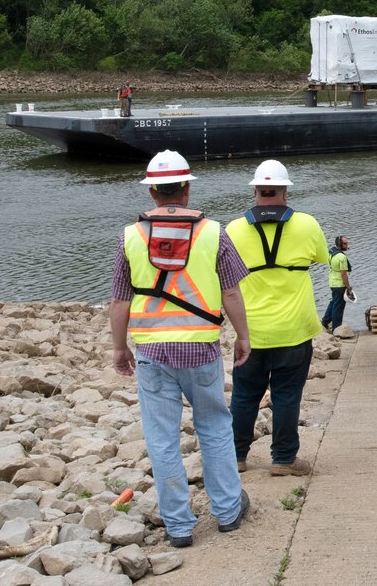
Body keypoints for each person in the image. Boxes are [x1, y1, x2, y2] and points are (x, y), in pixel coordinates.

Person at [110, 149, 251, 549]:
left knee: (161, 438)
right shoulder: (214, 232)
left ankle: (178, 526)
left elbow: (119, 301)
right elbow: (231, 292)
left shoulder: (130, 237)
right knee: (214, 428)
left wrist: (119, 348)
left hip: (153, 351)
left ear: (152, 191)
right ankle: (227, 512)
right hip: (201, 348)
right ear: (187, 190)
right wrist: (242, 336)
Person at [225, 160, 329, 477]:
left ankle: (237, 457)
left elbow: (224, 278)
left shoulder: (232, 230)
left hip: (250, 331)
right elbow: (321, 257)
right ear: (285, 193)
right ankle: (283, 459)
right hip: (295, 330)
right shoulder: (307, 225)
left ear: (256, 192)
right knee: (286, 396)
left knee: (244, 397)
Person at [321, 236, 353, 333]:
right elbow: (343, 274)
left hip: (332, 282)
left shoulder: (331, 252)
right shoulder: (342, 257)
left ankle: (325, 321)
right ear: (339, 244)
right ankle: (337, 328)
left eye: (347, 243)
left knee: (334, 302)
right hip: (340, 284)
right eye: (345, 244)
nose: (347, 245)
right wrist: (348, 287)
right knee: (338, 307)